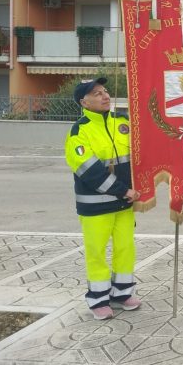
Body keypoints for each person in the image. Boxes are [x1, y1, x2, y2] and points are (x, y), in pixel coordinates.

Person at [65, 77, 142, 320]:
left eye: (105, 91)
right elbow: (90, 171)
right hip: (96, 205)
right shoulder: (79, 131)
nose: (105, 96)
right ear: (84, 102)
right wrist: (123, 190)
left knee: (125, 248)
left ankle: (122, 293)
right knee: (96, 252)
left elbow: (140, 153)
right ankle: (98, 299)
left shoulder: (123, 121)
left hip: (124, 203)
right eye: (97, 93)